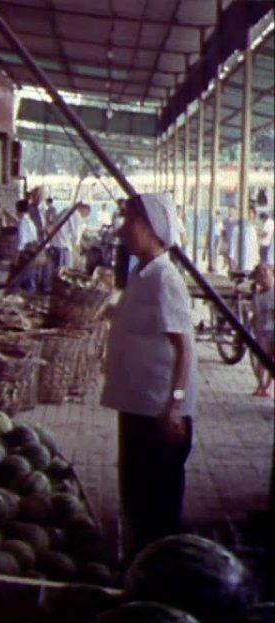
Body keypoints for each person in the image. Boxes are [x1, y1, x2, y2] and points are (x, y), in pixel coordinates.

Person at [101, 193, 199, 561]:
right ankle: (137, 563)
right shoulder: (141, 273)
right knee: (136, 492)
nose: (124, 229)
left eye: (132, 223)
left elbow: (185, 347)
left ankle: (159, 570)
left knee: (157, 503)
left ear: (155, 230)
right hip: (138, 405)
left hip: (160, 412)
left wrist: (174, 406)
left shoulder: (165, 279)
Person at [250, 263, 274, 398]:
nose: (264, 277)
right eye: (261, 275)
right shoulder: (258, 296)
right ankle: (261, 384)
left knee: (271, 359)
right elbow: (255, 314)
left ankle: (268, 386)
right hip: (263, 330)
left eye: (266, 274)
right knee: (262, 358)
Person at [8, 199, 40, 294]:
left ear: (17, 210)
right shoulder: (31, 222)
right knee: (29, 281)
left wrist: (16, 257)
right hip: (32, 255)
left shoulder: (22, 222)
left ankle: (12, 299)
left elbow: (21, 242)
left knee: (15, 281)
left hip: (24, 255)